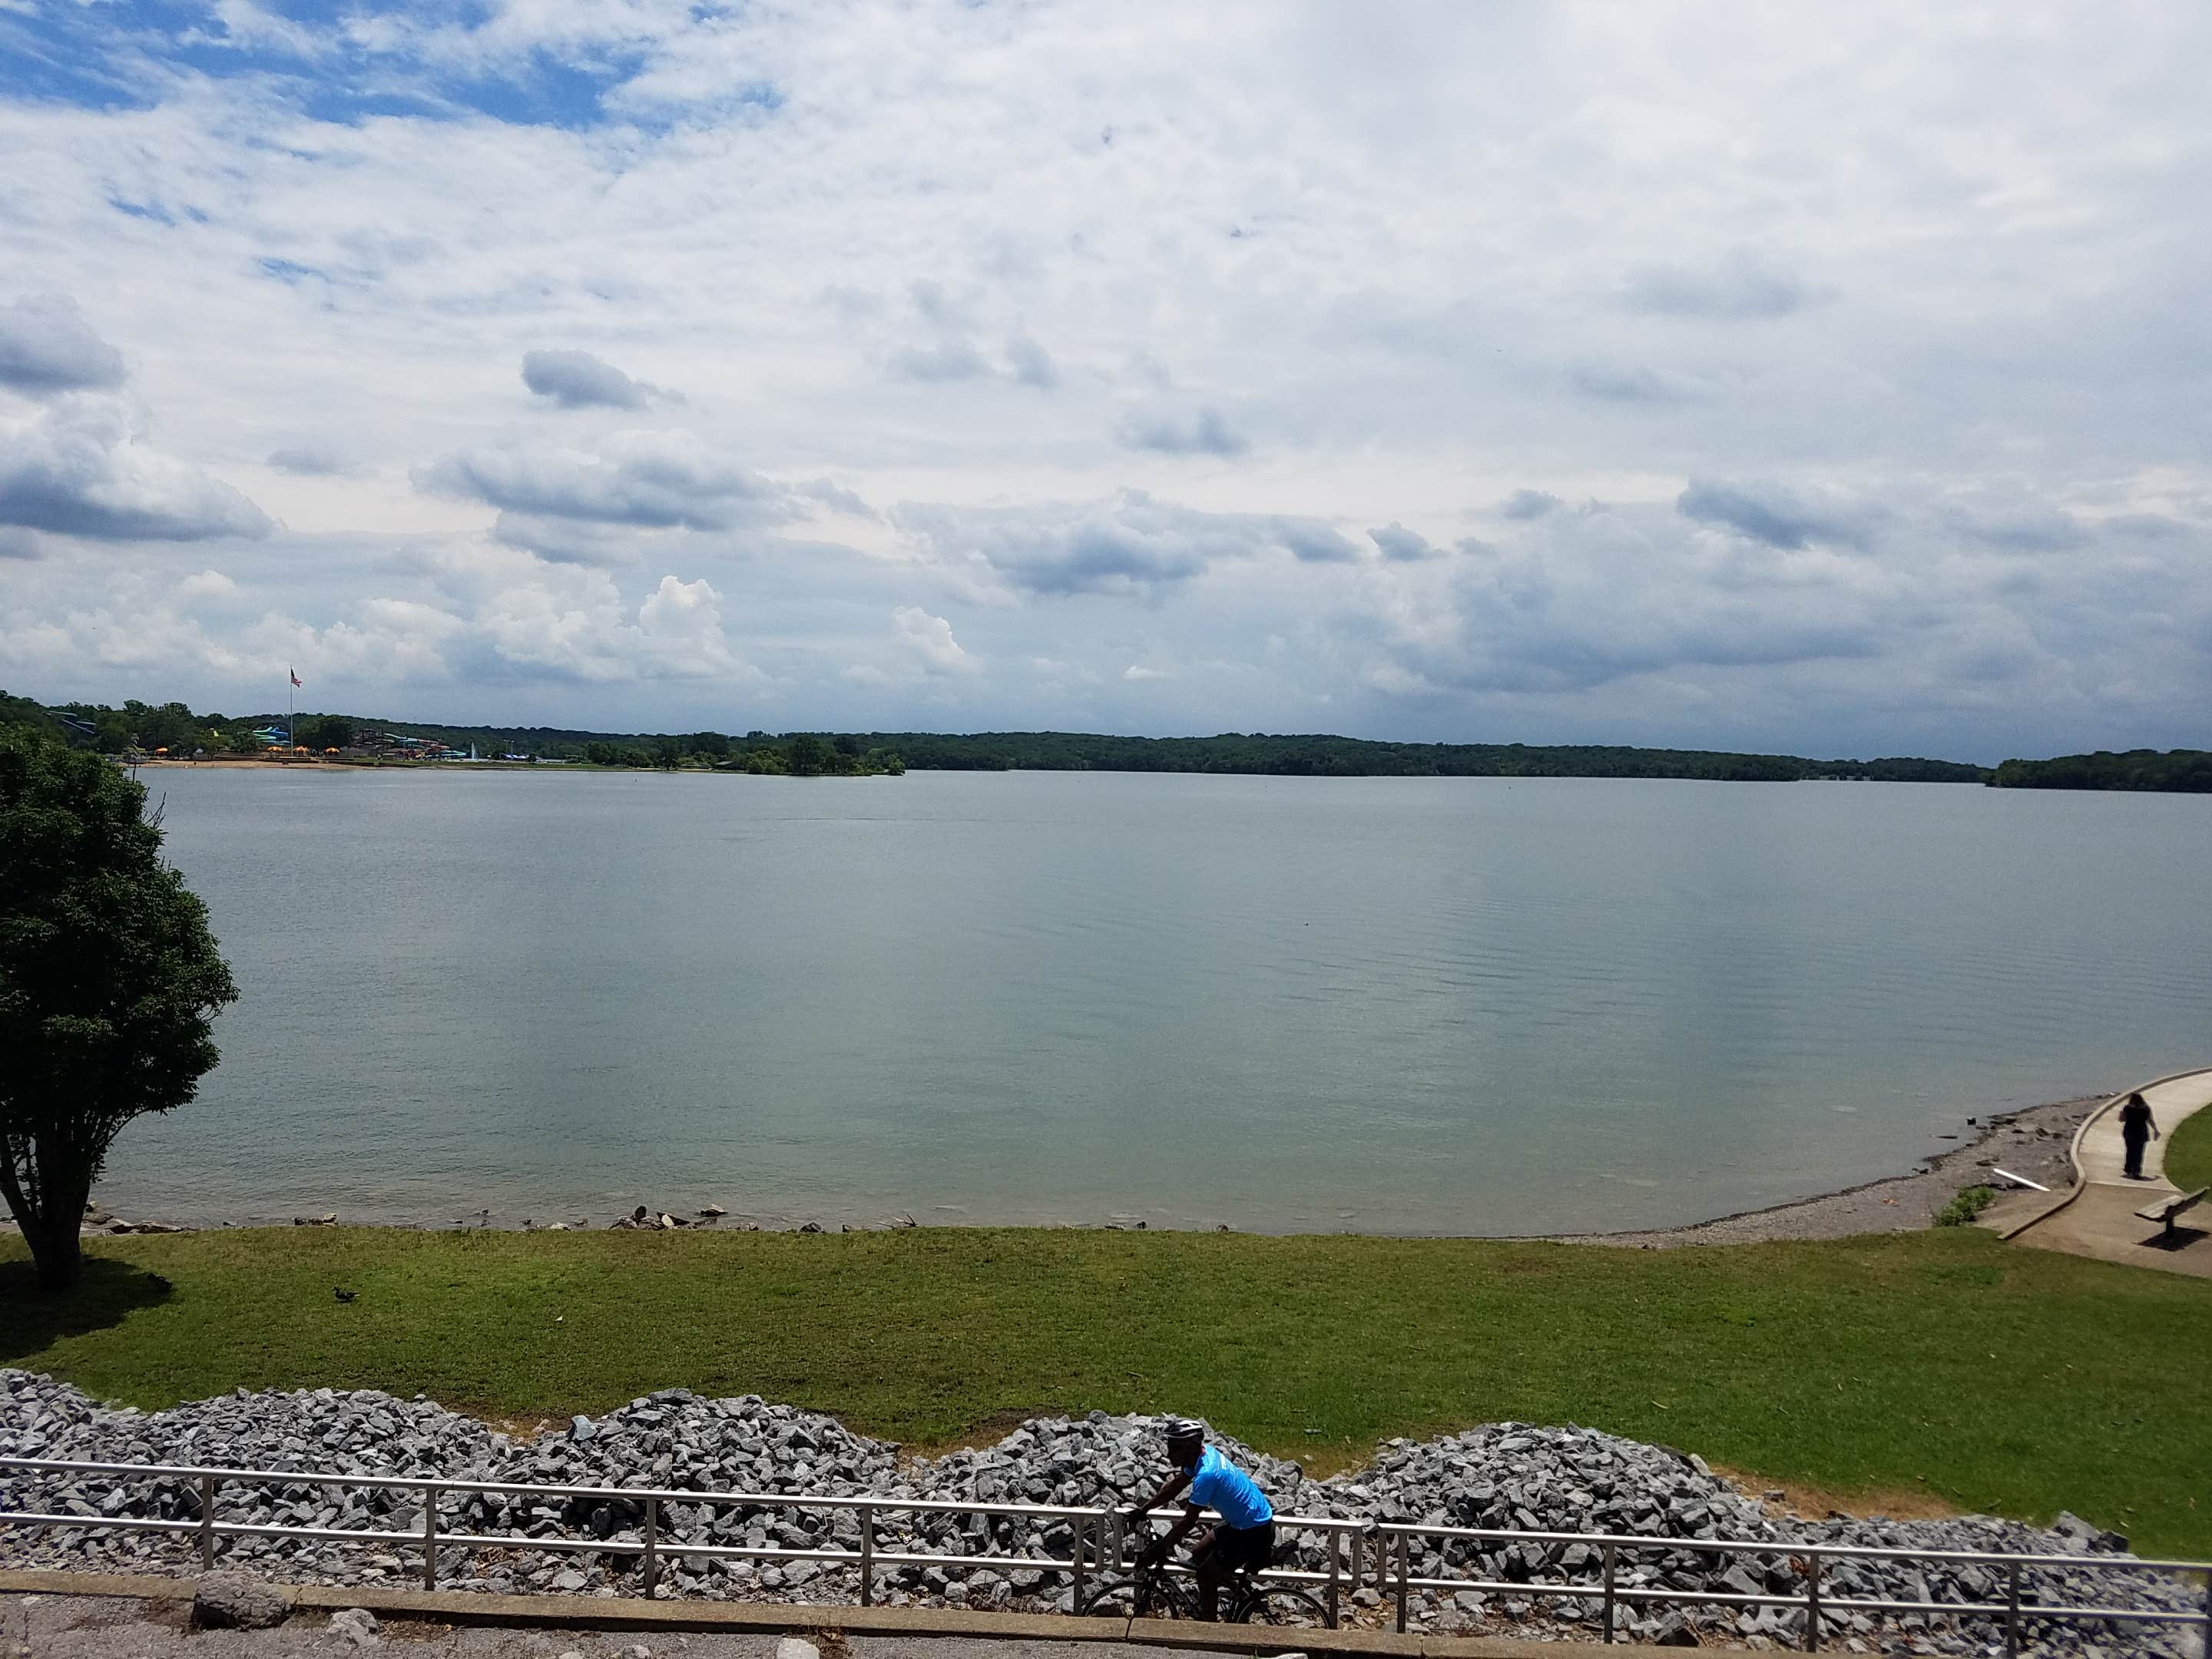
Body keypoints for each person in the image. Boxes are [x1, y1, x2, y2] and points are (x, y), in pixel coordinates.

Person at [1121, 1418, 1275, 1620]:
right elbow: (1175, 1486)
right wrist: (1143, 1510)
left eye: (1174, 1448)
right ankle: (1233, 1596)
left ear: (1189, 1446)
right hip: (1247, 1522)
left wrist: (1158, 1549)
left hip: (1252, 1532)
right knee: (1199, 1553)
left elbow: (1188, 1521)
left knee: (1205, 1576)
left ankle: (1207, 1629)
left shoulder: (1207, 1475)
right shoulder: (1203, 1455)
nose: (1168, 1453)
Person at [2119, 1091, 2159, 1179]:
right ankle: (2136, 1171)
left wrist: (2121, 1114)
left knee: (2130, 1150)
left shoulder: (2127, 1108)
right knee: (2139, 1152)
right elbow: (2150, 1120)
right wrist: (2156, 1130)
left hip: (2129, 1131)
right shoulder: (2146, 1109)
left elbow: (2121, 1119)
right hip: (2141, 1132)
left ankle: (2128, 1168)